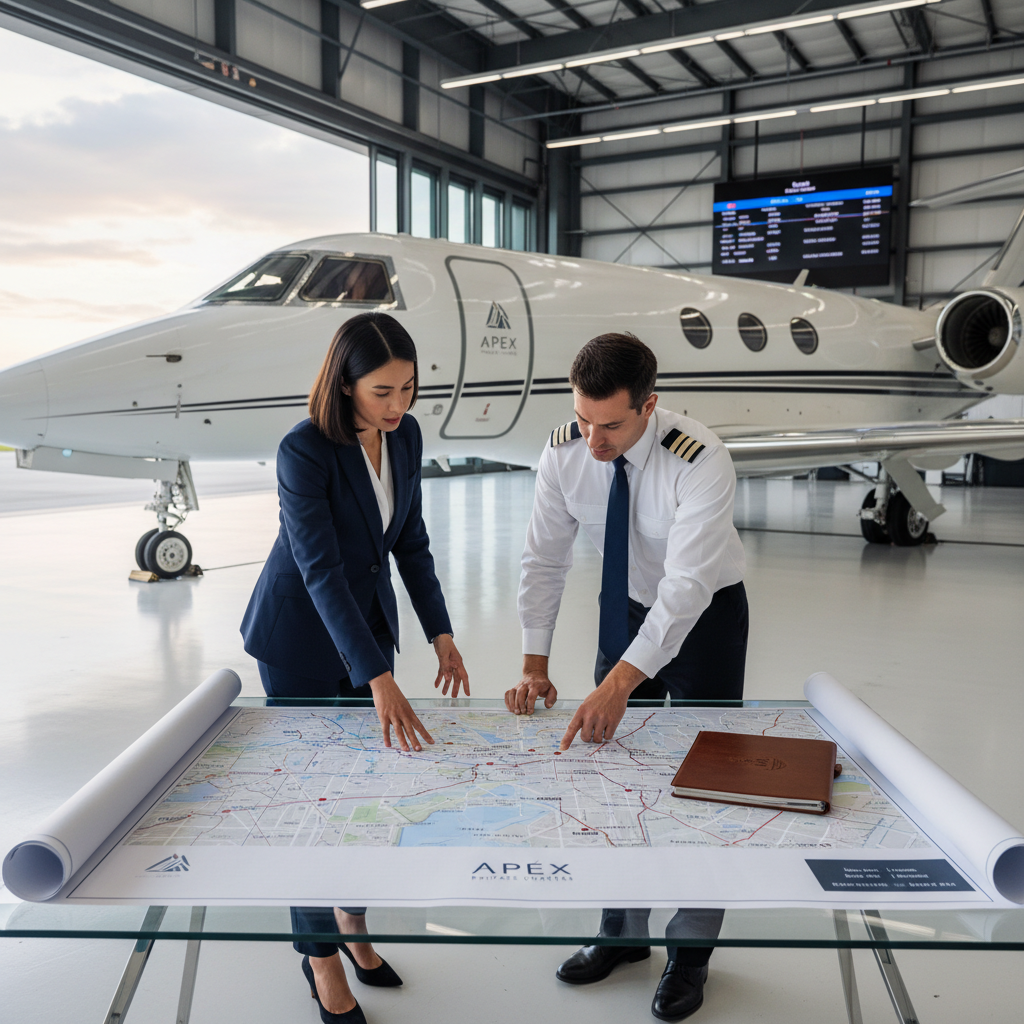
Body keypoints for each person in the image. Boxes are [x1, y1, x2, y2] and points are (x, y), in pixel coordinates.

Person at [505, 332, 748, 1022]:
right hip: (623, 607)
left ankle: (691, 954)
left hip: (702, 618)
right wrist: (534, 661)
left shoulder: (699, 460)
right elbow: (543, 559)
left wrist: (618, 682)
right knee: (614, 774)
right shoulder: (563, 451)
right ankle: (622, 934)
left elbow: (687, 585)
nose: (594, 437)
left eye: (610, 424)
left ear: (650, 406)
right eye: (584, 418)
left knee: (708, 783)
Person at [241, 311, 470, 1024]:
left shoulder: (405, 437)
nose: (398, 406)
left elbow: (412, 542)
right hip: (301, 643)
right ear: (343, 386)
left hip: (365, 633)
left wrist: (441, 633)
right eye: (381, 392)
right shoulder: (302, 451)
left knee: (359, 800)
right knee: (311, 806)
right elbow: (321, 571)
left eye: (408, 388)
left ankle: (354, 925)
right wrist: (378, 677)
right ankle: (320, 962)